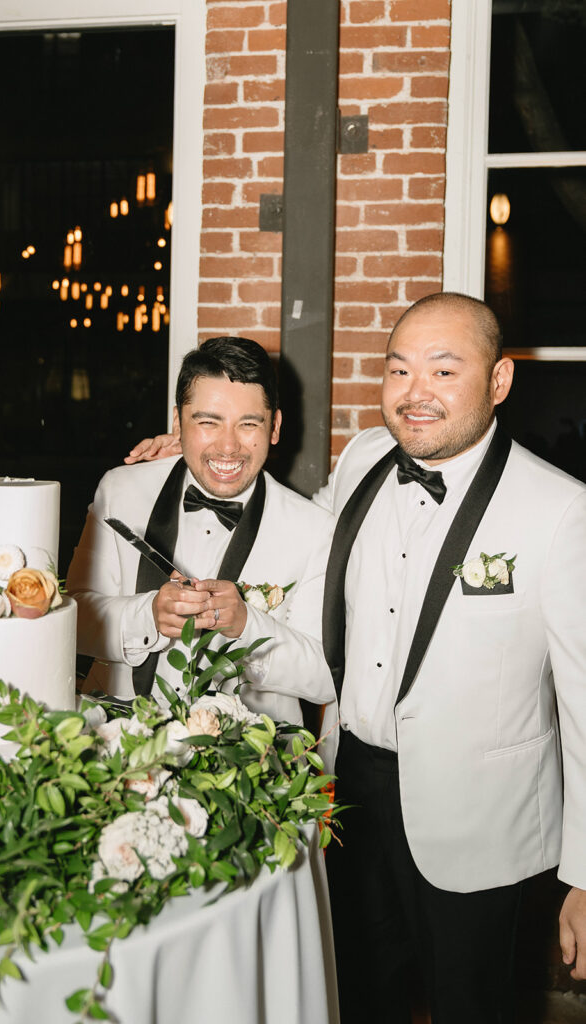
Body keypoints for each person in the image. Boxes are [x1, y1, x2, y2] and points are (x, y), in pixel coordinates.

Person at [126, 293, 586, 1023]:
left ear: (497, 381)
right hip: (354, 787)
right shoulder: (367, 454)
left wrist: (585, 875)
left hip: (481, 816)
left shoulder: (560, 510)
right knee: (357, 994)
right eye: (398, 370)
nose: (415, 393)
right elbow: (299, 528)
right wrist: (191, 455)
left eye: (443, 370)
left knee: (472, 1006)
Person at [67, 335, 336, 729]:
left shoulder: (315, 530)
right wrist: (147, 617)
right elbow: (70, 620)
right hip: (113, 742)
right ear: (178, 423)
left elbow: (325, 678)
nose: (228, 447)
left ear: (274, 427)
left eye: (249, 424)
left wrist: (248, 627)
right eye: (208, 422)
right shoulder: (120, 490)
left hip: (248, 766)